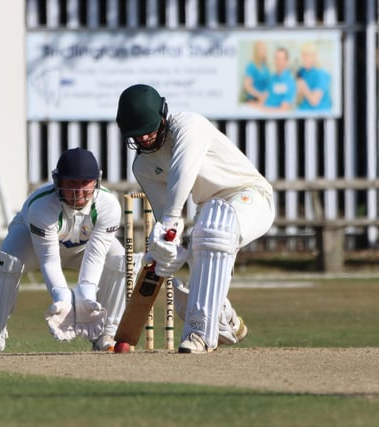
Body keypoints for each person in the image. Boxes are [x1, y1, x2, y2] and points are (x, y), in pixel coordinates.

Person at [115, 84, 275, 353]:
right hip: (209, 210)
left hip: (250, 196)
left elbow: (183, 171)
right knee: (203, 237)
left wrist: (168, 223)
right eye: (137, 135)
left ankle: (200, 333)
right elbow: (166, 211)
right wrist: (167, 246)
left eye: (149, 130)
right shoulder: (143, 166)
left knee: (214, 228)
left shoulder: (190, 125)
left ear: (163, 114)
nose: (144, 139)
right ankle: (225, 318)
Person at [0, 148, 141, 353]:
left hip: (83, 250)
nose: (78, 192)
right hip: (32, 244)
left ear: (97, 181)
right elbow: (49, 259)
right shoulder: (41, 206)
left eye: (84, 183)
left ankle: (108, 334)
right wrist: (63, 298)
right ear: (57, 181)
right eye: (71, 183)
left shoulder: (109, 206)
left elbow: (96, 254)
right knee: (4, 262)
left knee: (121, 259)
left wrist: (86, 295)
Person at [296, 42, 332, 111]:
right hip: (303, 109)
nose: (305, 58)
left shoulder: (322, 74)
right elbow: (299, 93)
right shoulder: (303, 71)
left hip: (318, 113)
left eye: (308, 55)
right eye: (303, 55)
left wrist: (303, 87)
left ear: (315, 57)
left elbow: (314, 101)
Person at [262, 47, 297, 111]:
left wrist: (262, 109)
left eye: (281, 59)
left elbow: (283, 110)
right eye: (277, 59)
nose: (279, 62)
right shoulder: (272, 78)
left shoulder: (290, 82)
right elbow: (265, 97)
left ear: (287, 62)